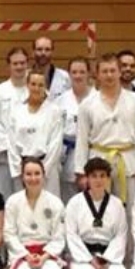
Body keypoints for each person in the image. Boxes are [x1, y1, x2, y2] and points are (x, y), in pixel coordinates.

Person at [74, 52, 135, 229]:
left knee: (131, 212)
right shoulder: (87, 103)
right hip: (98, 160)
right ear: (97, 74)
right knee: (100, 209)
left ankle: (130, 248)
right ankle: (103, 246)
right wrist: (81, 172)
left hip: (128, 161)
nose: (109, 75)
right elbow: (82, 139)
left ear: (119, 72)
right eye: (105, 71)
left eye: (112, 70)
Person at [65, 158, 135, 269]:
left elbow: (120, 236)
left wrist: (105, 260)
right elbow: (71, 235)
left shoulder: (117, 204)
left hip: (109, 257)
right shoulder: (75, 203)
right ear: (87, 178)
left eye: (102, 176)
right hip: (84, 256)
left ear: (108, 179)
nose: (98, 180)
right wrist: (91, 260)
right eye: (94, 176)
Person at [4, 158, 66, 269]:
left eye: (37, 173)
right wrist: (26, 255)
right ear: (22, 177)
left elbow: (59, 237)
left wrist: (44, 257)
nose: (33, 178)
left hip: (46, 255)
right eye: (28, 174)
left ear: (44, 175)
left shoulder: (55, 203)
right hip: (22, 254)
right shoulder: (13, 201)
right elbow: (9, 234)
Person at [7, 69, 63, 197]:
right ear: (27, 85)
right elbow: (11, 143)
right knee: (22, 204)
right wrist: (20, 170)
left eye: (40, 85)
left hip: (46, 169)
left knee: (48, 205)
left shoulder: (54, 111)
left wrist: (42, 171)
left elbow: (55, 144)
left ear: (46, 87)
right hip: (23, 168)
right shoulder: (17, 111)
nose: (36, 88)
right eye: (33, 84)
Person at [0, 47, 30, 199]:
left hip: (27, 154)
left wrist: (23, 150)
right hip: (3, 155)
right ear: (8, 66)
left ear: (27, 64)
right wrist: (8, 148)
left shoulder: (34, 90)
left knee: (24, 197)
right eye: (15, 63)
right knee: (2, 196)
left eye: (22, 63)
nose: (19, 67)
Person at [58, 57, 95, 202]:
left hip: (92, 151)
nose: (78, 76)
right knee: (68, 200)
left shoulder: (97, 98)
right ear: (69, 74)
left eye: (82, 72)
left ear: (89, 73)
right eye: (74, 72)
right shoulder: (60, 101)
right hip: (68, 154)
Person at [31, 36, 72, 101]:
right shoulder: (25, 77)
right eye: (39, 49)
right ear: (33, 52)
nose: (43, 53)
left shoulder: (65, 77)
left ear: (52, 52)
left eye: (47, 49)